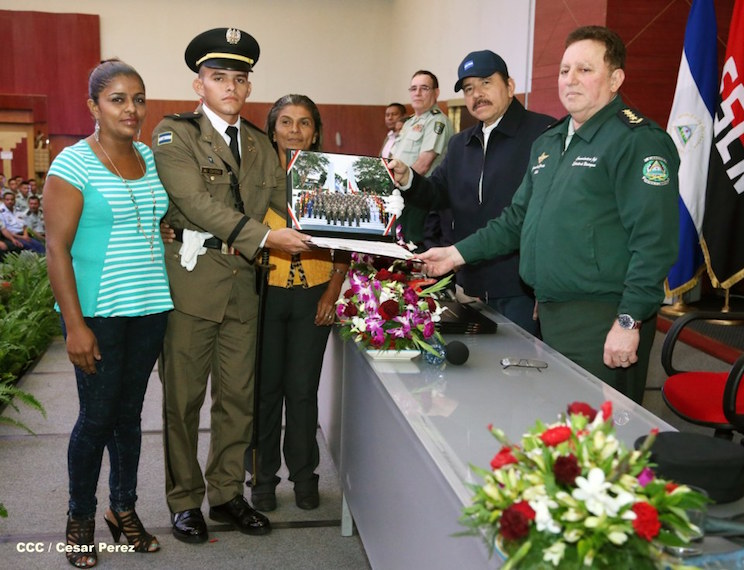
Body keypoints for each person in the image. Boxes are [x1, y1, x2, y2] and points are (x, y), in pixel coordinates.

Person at [417, 26, 680, 404]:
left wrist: (629, 321)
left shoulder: (636, 141)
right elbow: (516, 220)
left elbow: (654, 243)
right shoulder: (551, 141)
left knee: (599, 429)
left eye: (585, 70)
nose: (570, 79)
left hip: (602, 318)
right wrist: (454, 254)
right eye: (564, 70)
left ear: (615, 79)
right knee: (557, 423)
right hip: (552, 314)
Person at [152, 27, 310, 545]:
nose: (231, 87)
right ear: (199, 85)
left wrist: (369, 198)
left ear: (249, 86)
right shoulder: (174, 135)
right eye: (219, 77)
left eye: (240, 79)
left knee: (238, 398)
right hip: (192, 282)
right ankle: (184, 501)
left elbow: (294, 202)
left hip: (244, 284)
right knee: (183, 401)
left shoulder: (261, 144)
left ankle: (224, 495)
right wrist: (266, 237)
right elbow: (196, 204)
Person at [44, 59, 172, 568]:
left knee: (129, 415)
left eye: (138, 98)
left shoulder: (147, 156)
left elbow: (148, 218)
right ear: (93, 106)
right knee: (96, 418)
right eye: (117, 99)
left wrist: (161, 230)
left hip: (150, 305)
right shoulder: (73, 163)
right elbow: (56, 248)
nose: (131, 109)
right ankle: (79, 517)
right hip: (97, 311)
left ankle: (123, 509)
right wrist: (75, 326)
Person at [389, 50, 554, 335]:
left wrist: (546, 283)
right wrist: (408, 180)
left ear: (510, 86)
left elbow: (548, 216)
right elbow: (437, 193)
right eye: (468, 88)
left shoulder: (543, 134)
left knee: (521, 362)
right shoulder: (460, 144)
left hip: (522, 290)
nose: (477, 94)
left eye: (486, 83)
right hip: (470, 284)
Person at [248, 94, 350, 512]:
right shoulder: (254, 174)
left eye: (304, 123)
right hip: (263, 294)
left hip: (315, 293)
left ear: (315, 132)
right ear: (272, 129)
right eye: (286, 122)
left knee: (303, 391)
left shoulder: (331, 176)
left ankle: (305, 477)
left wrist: (333, 289)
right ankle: (262, 479)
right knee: (265, 392)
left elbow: (346, 238)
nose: (294, 130)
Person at [391, 70, 454, 246]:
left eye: (424, 88)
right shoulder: (409, 122)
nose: (417, 93)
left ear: (436, 92)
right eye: (413, 88)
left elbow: (424, 164)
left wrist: (397, 185)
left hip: (420, 199)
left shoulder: (437, 122)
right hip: (402, 196)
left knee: (414, 247)